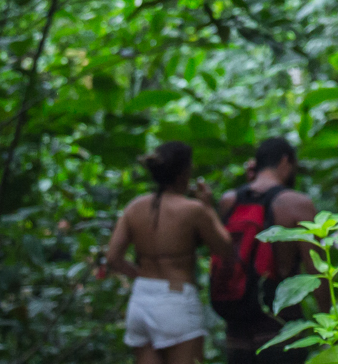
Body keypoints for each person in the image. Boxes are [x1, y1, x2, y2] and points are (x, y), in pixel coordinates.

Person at [101, 141, 234, 364]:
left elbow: (113, 258)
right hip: (176, 300)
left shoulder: (134, 207)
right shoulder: (193, 209)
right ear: (184, 173)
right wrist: (208, 207)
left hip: (140, 300)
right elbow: (225, 249)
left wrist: (142, 276)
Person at [217, 137, 318, 364]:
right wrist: (330, 323)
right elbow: (318, 271)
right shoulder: (296, 204)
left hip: (236, 329)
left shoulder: (229, 200)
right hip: (280, 327)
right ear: (285, 161)